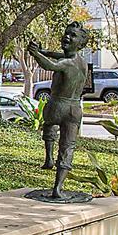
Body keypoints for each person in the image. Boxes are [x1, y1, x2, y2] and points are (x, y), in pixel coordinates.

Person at [27, 22, 90, 198]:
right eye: (66, 33)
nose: (67, 37)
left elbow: (49, 65)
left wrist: (35, 53)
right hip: (75, 108)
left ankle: (49, 160)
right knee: (68, 146)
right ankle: (57, 184)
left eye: (72, 35)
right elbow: (56, 55)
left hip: (58, 105)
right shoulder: (81, 62)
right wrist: (43, 51)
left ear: (81, 43)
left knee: (50, 126)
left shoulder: (66, 63)